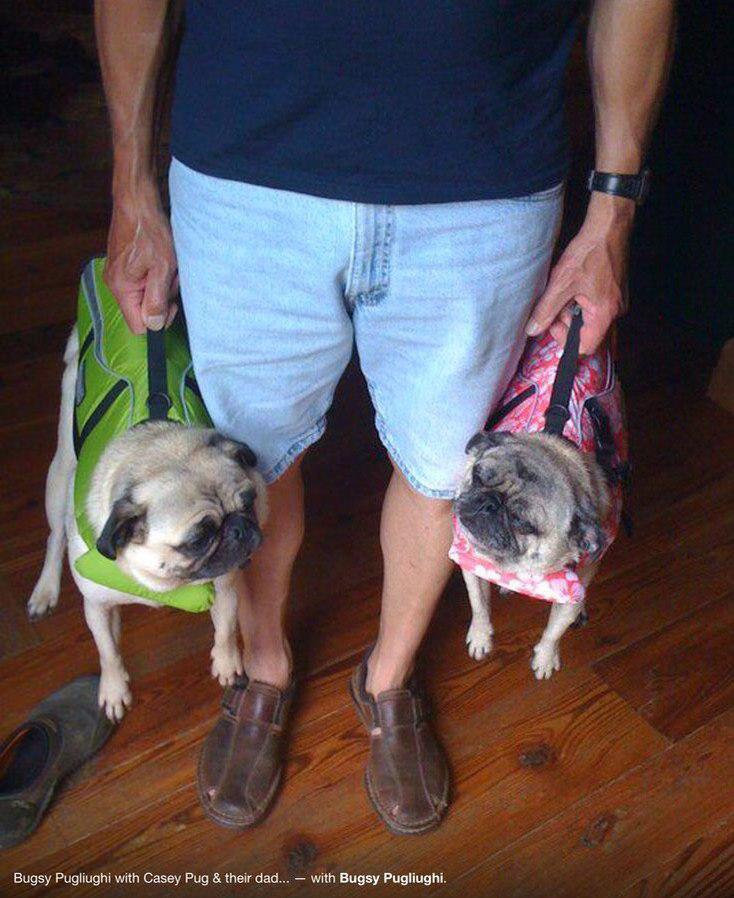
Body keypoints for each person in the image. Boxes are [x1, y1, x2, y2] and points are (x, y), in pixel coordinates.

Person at [95, 0, 675, 834]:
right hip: (243, 170)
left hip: (485, 181)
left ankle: (388, 678)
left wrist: (614, 207)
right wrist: (130, 180)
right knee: (245, 469)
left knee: (444, 469)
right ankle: (265, 667)